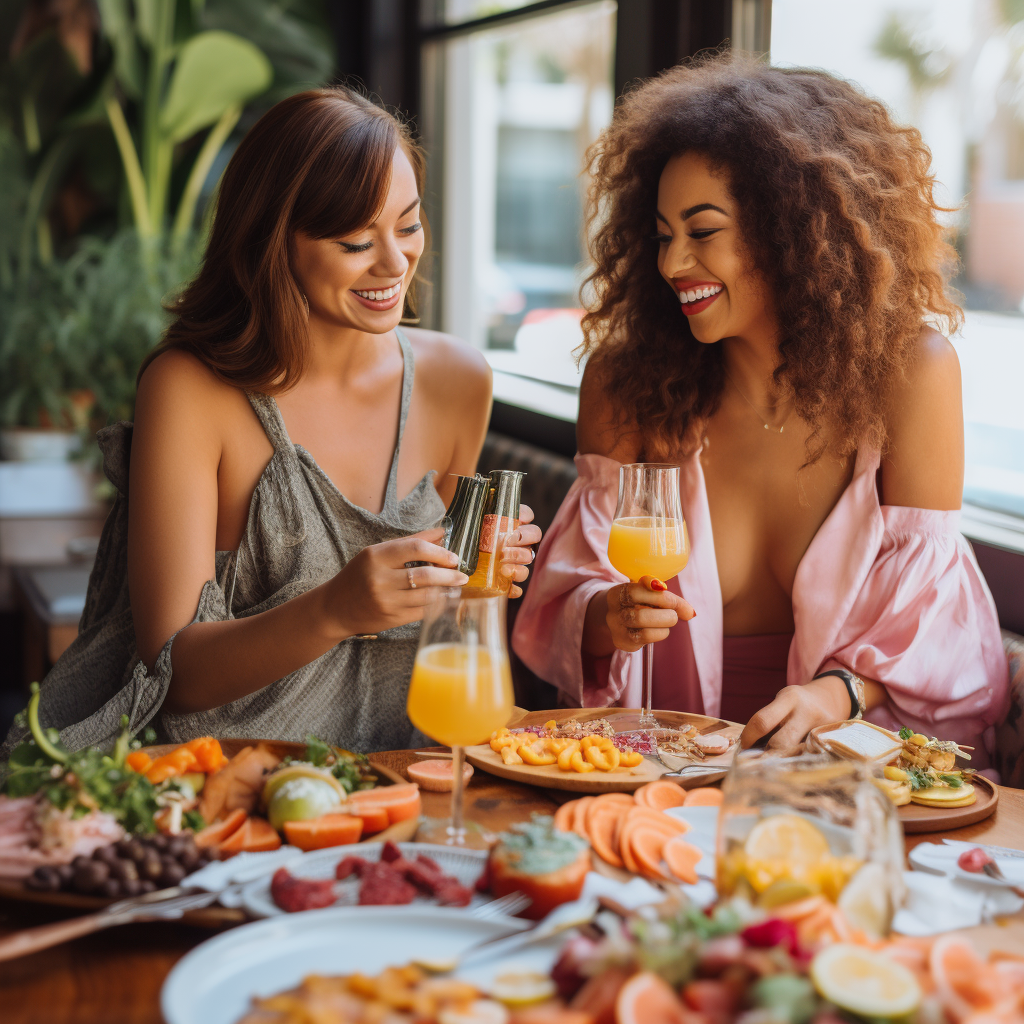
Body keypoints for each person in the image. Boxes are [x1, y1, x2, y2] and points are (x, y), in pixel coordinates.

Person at [5, 88, 540, 756]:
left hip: (402, 785)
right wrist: (335, 608)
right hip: (220, 788)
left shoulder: (459, 380)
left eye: (408, 225)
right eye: (354, 241)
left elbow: (452, 626)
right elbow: (171, 672)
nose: (395, 263)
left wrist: (481, 576)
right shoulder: (191, 389)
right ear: (272, 239)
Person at [513, 57, 1008, 767]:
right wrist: (607, 617)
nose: (671, 262)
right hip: (663, 773)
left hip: (844, 783)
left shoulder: (910, 376)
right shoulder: (628, 386)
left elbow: (935, 629)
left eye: (702, 230)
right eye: (661, 235)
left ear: (793, 232)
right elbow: (564, 603)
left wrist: (832, 696)